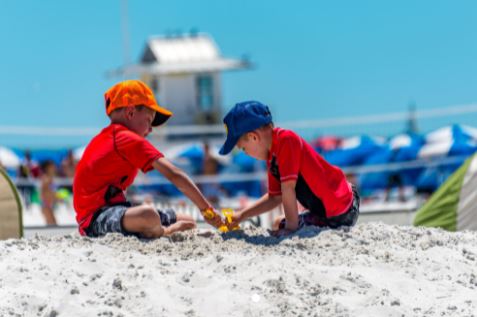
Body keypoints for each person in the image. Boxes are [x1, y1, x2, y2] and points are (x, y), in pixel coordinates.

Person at [73, 80, 223, 238]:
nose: (150, 129)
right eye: (149, 121)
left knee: (188, 221)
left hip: (115, 209)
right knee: (148, 215)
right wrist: (207, 211)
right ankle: (165, 232)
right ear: (130, 113)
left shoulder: (108, 137)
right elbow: (174, 174)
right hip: (94, 220)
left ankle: (154, 230)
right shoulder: (124, 137)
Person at [219, 101, 360, 236]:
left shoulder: (286, 140)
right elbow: (274, 197)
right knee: (277, 222)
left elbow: (288, 188)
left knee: (282, 225)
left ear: (253, 137)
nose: (246, 153)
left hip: (342, 209)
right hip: (326, 212)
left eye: (243, 148)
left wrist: (291, 228)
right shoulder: (272, 155)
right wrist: (241, 215)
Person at [39, 160, 58, 225]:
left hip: (49, 204)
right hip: (46, 204)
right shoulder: (46, 178)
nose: (54, 167)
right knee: (52, 224)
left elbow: (51, 192)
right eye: (52, 166)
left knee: (52, 224)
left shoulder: (50, 178)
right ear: (47, 168)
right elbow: (42, 193)